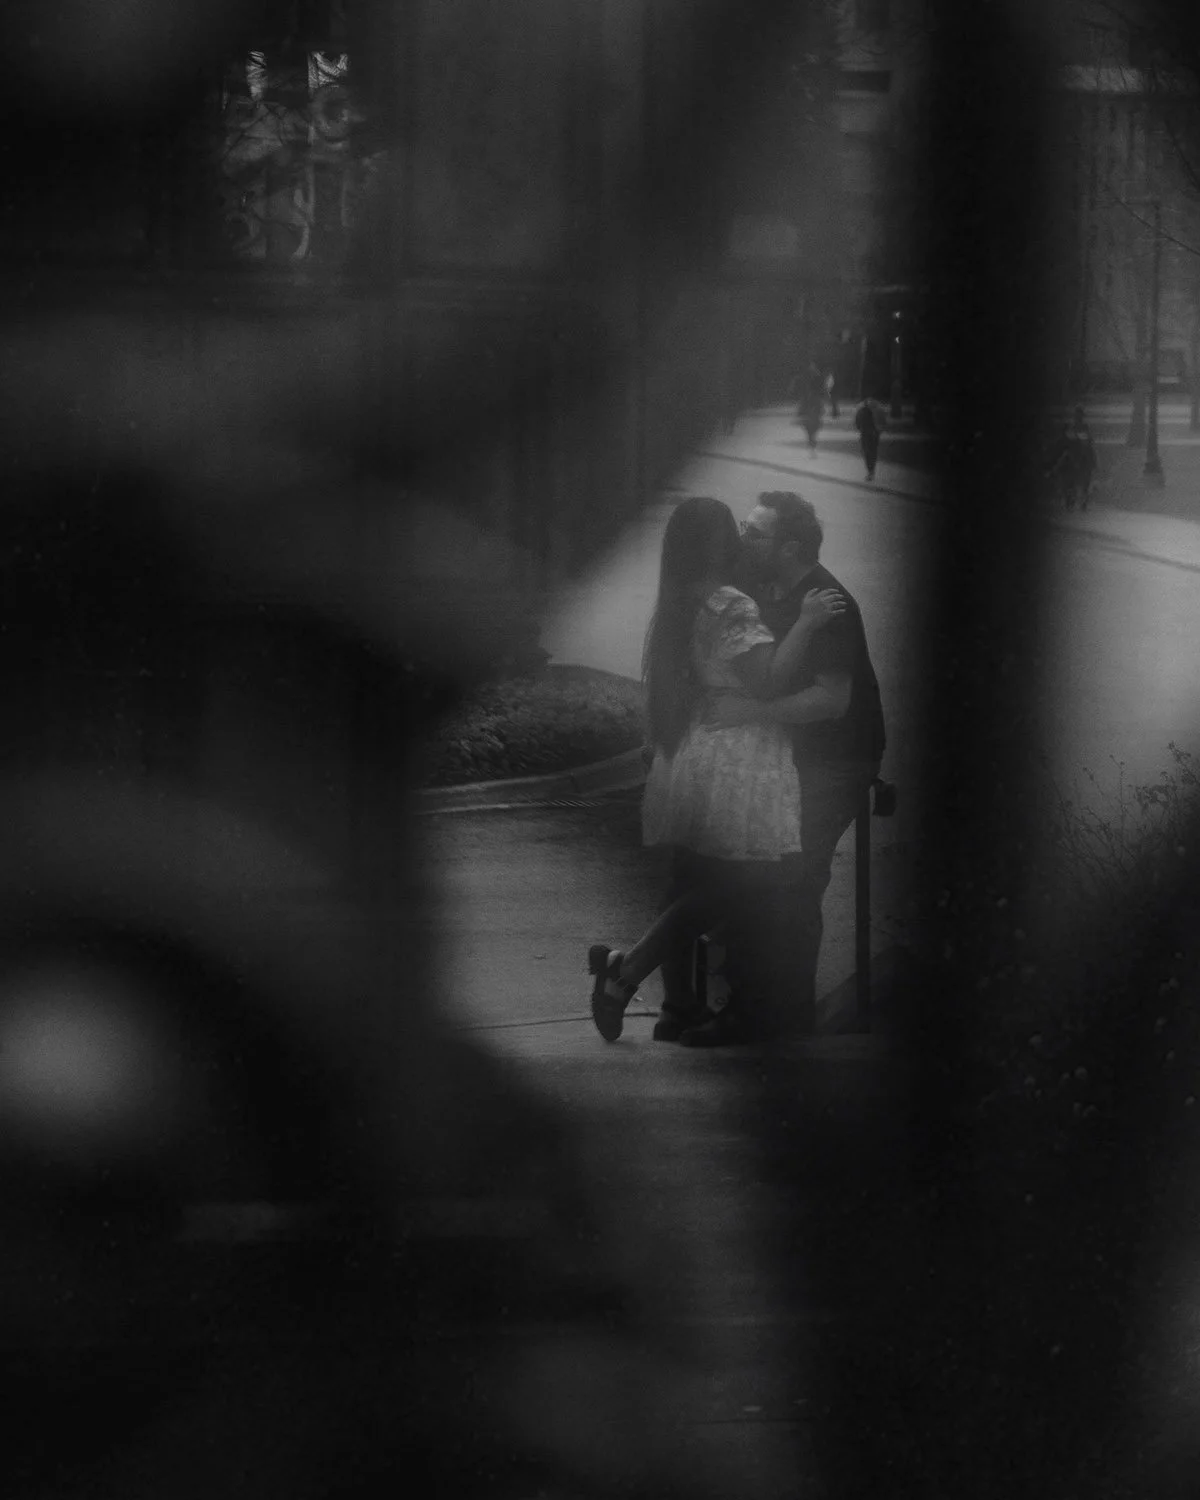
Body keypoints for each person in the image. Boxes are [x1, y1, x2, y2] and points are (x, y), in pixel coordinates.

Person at [587, 495, 846, 1044]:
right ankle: (626, 971)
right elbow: (768, 680)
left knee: (693, 881)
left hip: (694, 754)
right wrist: (805, 623)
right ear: (720, 544)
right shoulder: (729, 604)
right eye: (740, 532)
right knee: (744, 882)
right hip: (735, 762)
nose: (745, 542)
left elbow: (670, 683)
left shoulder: (679, 600)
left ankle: (677, 1008)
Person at [677, 491, 885, 1045]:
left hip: (838, 760)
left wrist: (753, 710)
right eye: (744, 528)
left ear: (789, 547)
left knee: (790, 876)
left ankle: (777, 1018)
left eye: (755, 533)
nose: (744, 540)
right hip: (786, 756)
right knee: (756, 871)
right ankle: (759, 1013)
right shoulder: (765, 591)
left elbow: (832, 701)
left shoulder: (828, 603)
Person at [854, 394, 885, 481]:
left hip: (868, 433)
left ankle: (870, 471)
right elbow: (882, 421)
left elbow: (857, 422)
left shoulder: (862, 408)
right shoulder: (877, 407)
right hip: (871, 433)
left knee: (868, 452)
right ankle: (871, 471)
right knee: (871, 452)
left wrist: (859, 428)